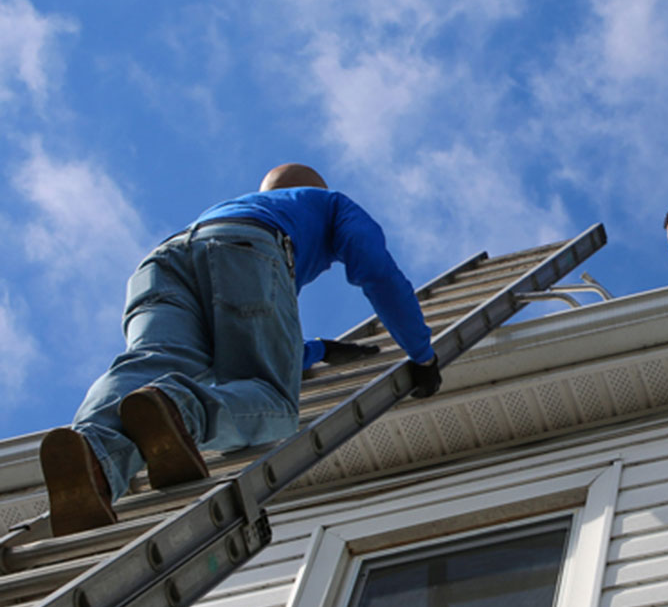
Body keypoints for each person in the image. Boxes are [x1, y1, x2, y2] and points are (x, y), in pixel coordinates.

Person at [40, 163, 440, 537]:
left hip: (163, 262)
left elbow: (240, 330)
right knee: (276, 403)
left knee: (153, 361)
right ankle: (181, 410)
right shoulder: (331, 203)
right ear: (312, 187)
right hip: (246, 249)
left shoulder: (237, 206)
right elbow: (379, 274)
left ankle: (93, 452)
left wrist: (318, 350)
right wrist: (422, 354)